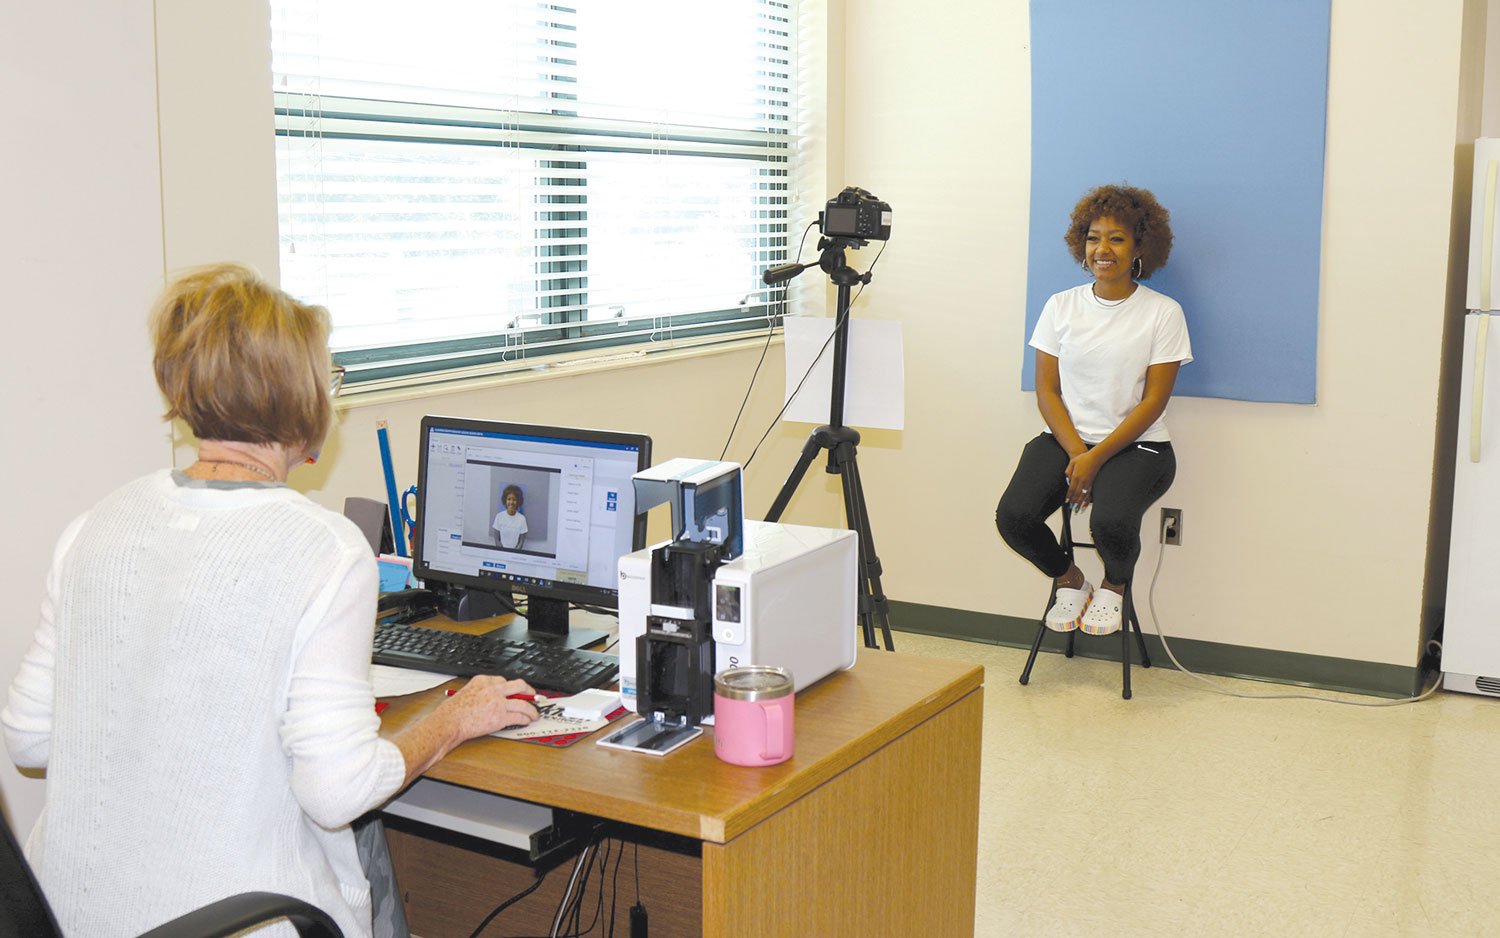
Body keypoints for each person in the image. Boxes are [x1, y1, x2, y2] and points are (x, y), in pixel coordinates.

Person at [1, 263, 540, 938]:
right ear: (302, 400)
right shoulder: (324, 549)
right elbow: (337, 788)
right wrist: (453, 719)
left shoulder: (95, 525)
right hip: (244, 922)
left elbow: (28, 733)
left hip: (71, 918)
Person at [995, 184, 1192, 636]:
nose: (1102, 249)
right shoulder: (1061, 305)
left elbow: (1154, 401)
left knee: (1112, 521)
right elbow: (1047, 391)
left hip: (1139, 447)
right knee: (1014, 516)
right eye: (1093, 237)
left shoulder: (1163, 312)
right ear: (1081, 245)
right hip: (1067, 439)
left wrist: (1094, 458)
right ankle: (1073, 582)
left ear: (1141, 246)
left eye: (1117, 238)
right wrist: (1077, 453)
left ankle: (1114, 587)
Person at [492, 483, 528, 549]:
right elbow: (497, 540)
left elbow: (521, 542)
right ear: (505, 501)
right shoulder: (499, 516)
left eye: (514, 499)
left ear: (518, 501)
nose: (511, 502)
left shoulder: (522, 519)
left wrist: (513, 554)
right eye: (509, 499)